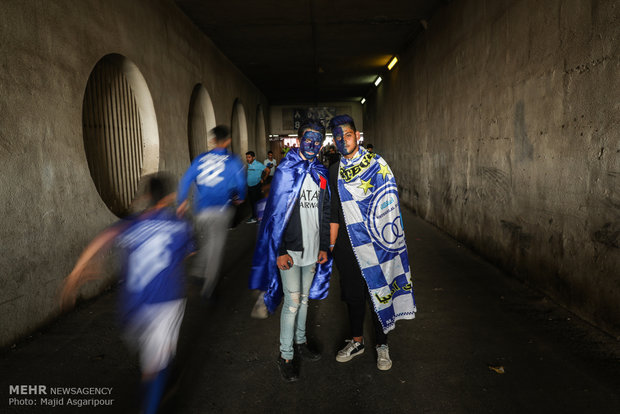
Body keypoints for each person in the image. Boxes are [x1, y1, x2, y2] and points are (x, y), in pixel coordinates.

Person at [61, 174, 194, 414]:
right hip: (166, 301)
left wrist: (76, 274)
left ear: (146, 197)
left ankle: (162, 373)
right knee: (154, 365)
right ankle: (154, 397)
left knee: (152, 356)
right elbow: (187, 253)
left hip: (132, 307)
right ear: (170, 197)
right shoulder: (179, 224)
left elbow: (102, 240)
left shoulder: (131, 223)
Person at [328, 115, 416, 371]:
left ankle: (382, 345)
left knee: (379, 292)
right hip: (347, 246)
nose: (343, 140)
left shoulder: (377, 165)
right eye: (338, 137)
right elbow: (333, 211)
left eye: (347, 135)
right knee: (354, 296)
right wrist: (331, 248)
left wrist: (391, 241)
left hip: (377, 242)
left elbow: (389, 203)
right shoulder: (334, 170)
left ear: (357, 136)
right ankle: (357, 341)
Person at [249, 120, 332, 382]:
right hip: (290, 251)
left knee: (305, 300)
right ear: (298, 140)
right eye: (309, 139)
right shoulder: (286, 170)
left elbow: (325, 210)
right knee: (293, 302)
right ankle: (285, 354)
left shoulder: (320, 171)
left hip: (312, 249)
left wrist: (322, 246)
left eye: (318, 139)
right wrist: (281, 249)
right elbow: (275, 215)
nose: (313, 144)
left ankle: (300, 341)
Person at [177, 125, 246, 298]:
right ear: (228, 140)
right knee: (216, 247)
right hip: (221, 210)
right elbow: (241, 184)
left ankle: (198, 271)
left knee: (208, 241)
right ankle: (209, 285)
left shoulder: (200, 159)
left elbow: (186, 180)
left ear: (213, 141)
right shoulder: (233, 160)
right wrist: (241, 197)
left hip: (201, 210)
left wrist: (182, 201)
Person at [245, 151, 270, 224]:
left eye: (249, 157)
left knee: (257, 202)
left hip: (256, 186)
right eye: (246, 157)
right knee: (252, 203)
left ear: (253, 157)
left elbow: (268, 170)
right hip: (250, 187)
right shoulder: (249, 164)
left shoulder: (258, 164)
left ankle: (257, 218)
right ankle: (257, 217)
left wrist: (263, 179)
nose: (247, 159)